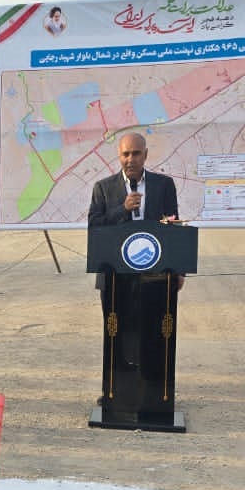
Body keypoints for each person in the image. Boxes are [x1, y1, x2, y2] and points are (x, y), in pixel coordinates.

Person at [87, 132, 181, 404]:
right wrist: (123, 209)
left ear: (145, 155)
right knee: (117, 332)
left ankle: (154, 392)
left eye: (136, 153)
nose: (130, 159)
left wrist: (177, 269)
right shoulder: (103, 188)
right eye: (125, 154)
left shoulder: (164, 185)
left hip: (155, 276)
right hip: (116, 277)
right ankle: (115, 393)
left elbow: (173, 226)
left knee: (154, 331)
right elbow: (95, 225)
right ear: (119, 156)